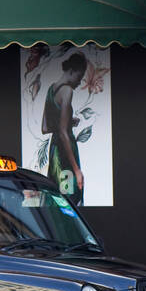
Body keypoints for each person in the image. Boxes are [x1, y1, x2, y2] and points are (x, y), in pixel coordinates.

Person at [42, 51, 88, 205]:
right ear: (72, 71)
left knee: (58, 196)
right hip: (64, 152)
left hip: (54, 150)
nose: (79, 82)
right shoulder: (67, 91)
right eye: (79, 77)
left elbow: (45, 127)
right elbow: (62, 132)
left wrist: (68, 122)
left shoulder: (51, 89)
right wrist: (77, 170)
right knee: (69, 199)